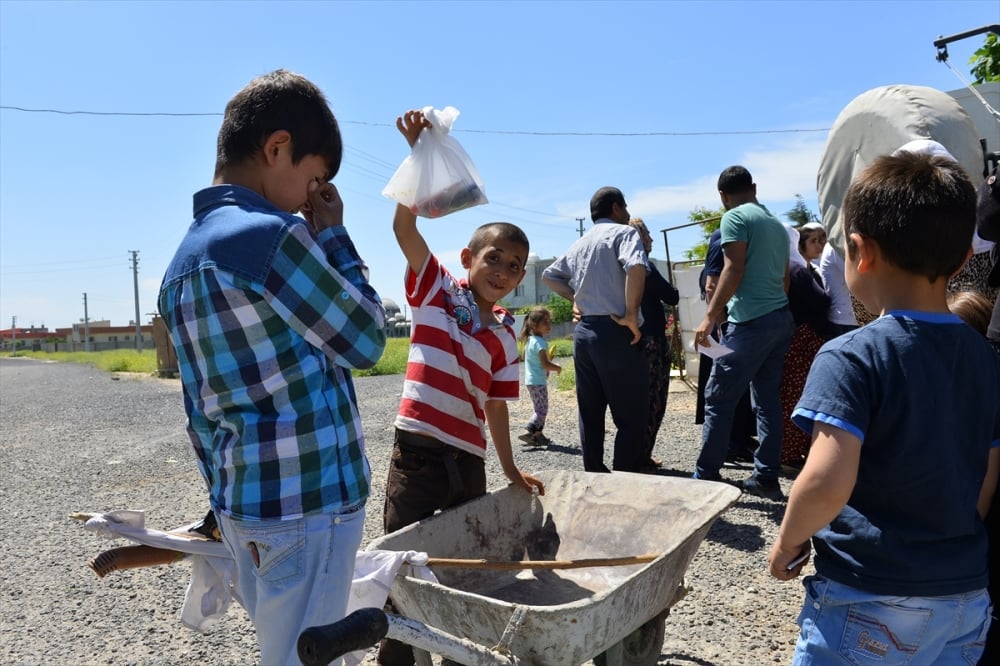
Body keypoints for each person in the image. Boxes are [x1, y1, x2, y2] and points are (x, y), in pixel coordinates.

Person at [157, 70, 387, 665]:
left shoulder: (181, 265)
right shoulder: (271, 237)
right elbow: (365, 339)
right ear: (276, 148)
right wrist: (334, 236)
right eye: (313, 180)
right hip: (310, 507)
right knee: (311, 657)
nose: (311, 199)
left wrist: (221, 499)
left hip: (249, 508)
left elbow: (198, 409)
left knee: (290, 649)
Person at [768, 150, 1000, 664]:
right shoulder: (983, 356)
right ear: (964, 259)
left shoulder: (851, 354)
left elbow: (827, 481)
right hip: (965, 598)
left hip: (870, 597)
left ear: (858, 252)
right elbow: (987, 473)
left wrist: (787, 543)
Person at [381, 109, 545, 666]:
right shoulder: (436, 290)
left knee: (462, 563)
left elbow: (497, 408)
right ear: (468, 259)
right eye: (493, 257)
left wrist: (508, 469)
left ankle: (458, 652)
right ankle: (401, 656)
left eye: (515, 265)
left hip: (468, 458)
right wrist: (419, 157)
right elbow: (405, 228)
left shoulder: (505, 336)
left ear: (521, 279)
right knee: (401, 564)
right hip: (420, 450)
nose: (502, 268)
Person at [693, 166, 794, 500]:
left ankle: (705, 476)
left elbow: (733, 268)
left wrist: (709, 316)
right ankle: (766, 477)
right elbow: (785, 279)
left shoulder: (734, 219)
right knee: (767, 401)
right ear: (754, 187)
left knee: (719, 398)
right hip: (779, 318)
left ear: (723, 196)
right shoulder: (776, 225)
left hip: (749, 322)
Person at [542, 187, 649, 473]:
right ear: (615, 208)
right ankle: (625, 479)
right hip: (616, 330)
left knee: (590, 411)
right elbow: (637, 267)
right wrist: (630, 313)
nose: (627, 214)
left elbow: (549, 276)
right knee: (630, 414)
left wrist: (576, 298)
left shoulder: (580, 243)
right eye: (624, 208)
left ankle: (594, 476)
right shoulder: (625, 233)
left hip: (585, 332)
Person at [696, 227, 756, 464]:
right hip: (723, 331)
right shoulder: (720, 260)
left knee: (734, 389)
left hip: (723, 330)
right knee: (726, 390)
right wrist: (722, 328)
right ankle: (730, 445)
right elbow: (711, 289)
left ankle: (738, 439)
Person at [779, 224, 831, 468]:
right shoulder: (797, 270)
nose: (819, 245)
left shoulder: (803, 268)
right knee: (795, 394)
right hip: (803, 338)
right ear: (798, 245)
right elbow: (819, 299)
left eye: (822, 240)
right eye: (813, 241)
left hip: (802, 337)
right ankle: (789, 452)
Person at [629, 218, 679, 470]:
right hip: (651, 343)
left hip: (638, 342)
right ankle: (640, 458)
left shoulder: (625, 266)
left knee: (644, 401)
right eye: (646, 233)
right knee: (653, 401)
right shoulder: (644, 266)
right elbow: (671, 295)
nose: (650, 238)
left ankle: (641, 455)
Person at [518, 306, 562, 447]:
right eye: (545, 322)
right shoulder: (540, 343)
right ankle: (530, 430)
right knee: (542, 410)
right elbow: (545, 364)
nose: (549, 325)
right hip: (538, 382)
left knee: (540, 407)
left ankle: (538, 436)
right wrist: (557, 368)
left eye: (550, 321)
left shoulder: (530, 341)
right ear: (534, 325)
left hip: (532, 381)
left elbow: (531, 360)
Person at [817, 240, 858, 339]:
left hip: (847, 318)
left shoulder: (836, 246)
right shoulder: (837, 248)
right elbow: (857, 279)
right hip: (846, 320)